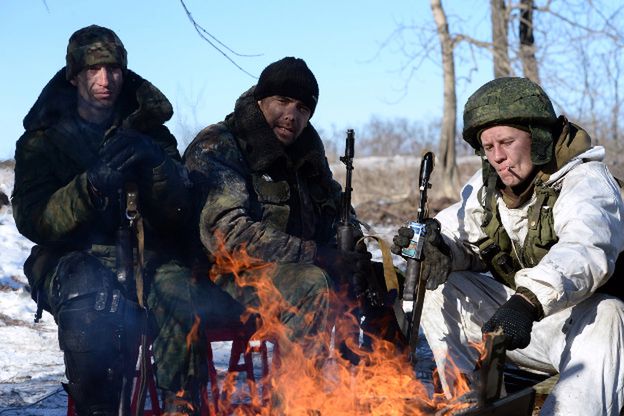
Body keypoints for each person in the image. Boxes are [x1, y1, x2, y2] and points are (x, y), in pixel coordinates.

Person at [12, 25, 232, 415]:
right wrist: (89, 188)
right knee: (88, 293)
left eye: (114, 69)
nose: (105, 80)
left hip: (146, 258)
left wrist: (156, 164)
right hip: (70, 261)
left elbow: (180, 212)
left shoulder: (151, 133)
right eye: (94, 69)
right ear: (74, 75)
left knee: (179, 289)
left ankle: (181, 405)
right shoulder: (42, 140)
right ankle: (98, 408)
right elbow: (33, 219)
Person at [392, 77, 624, 415]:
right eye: (488, 147)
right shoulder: (488, 187)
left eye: (506, 142)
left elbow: (585, 250)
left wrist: (527, 301)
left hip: (586, 331)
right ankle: (471, 401)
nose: (497, 157)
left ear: (539, 138)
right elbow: (460, 233)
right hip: (524, 328)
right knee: (443, 286)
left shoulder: (587, 182)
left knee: (610, 312)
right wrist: (438, 246)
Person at [184, 57, 389, 367]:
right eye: (283, 101)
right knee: (312, 284)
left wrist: (352, 252)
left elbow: (336, 209)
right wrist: (316, 253)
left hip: (290, 271)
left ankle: (375, 390)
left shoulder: (306, 153)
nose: (292, 115)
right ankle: (296, 405)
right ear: (261, 99)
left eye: (302, 109)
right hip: (222, 279)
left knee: (380, 280)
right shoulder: (219, 146)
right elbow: (227, 234)